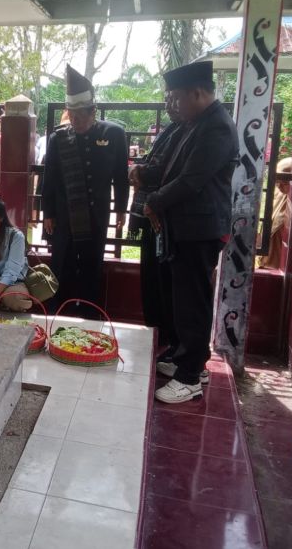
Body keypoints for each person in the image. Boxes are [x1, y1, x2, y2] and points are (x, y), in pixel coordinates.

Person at [144, 61, 238, 404]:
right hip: (186, 227)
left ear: (198, 92)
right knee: (183, 299)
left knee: (193, 301)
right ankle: (190, 362)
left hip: (199, 229)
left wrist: (154, 201)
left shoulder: (217, 128)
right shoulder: (198, 122)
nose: (174, 105)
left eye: (177, 98)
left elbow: (191, 180)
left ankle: (190, 377)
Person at [41, 65, 130, 317]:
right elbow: (51, 179)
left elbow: (120, 178)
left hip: (97, 213)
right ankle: (61, 311)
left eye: (81, 115)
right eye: (71, 114)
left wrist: (121, 209)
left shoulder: (113, 134)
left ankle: (90, 312)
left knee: (92, 264)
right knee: (62, 262)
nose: (75, 120)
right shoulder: (58, 140)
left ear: (93, 112)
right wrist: (47, 212)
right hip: (65, 215)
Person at [127, 92, 185, 363]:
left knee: (173, 287)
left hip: (172, 219)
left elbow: (170, 173)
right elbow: (153, 164)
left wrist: (141, 171)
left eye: (175, 99)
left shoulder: (193, 131)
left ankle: (179, 348)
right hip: (152, 216)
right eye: (167, 100)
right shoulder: (171, 129)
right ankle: (159, 335)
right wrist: (140, 169)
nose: (170, 106)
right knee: (152, 280)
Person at [257, 157, 292, 270]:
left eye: (284, 182)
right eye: (277, 181)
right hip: (267, 263)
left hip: (282, 266)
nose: (279, 186)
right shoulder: (279, 195)